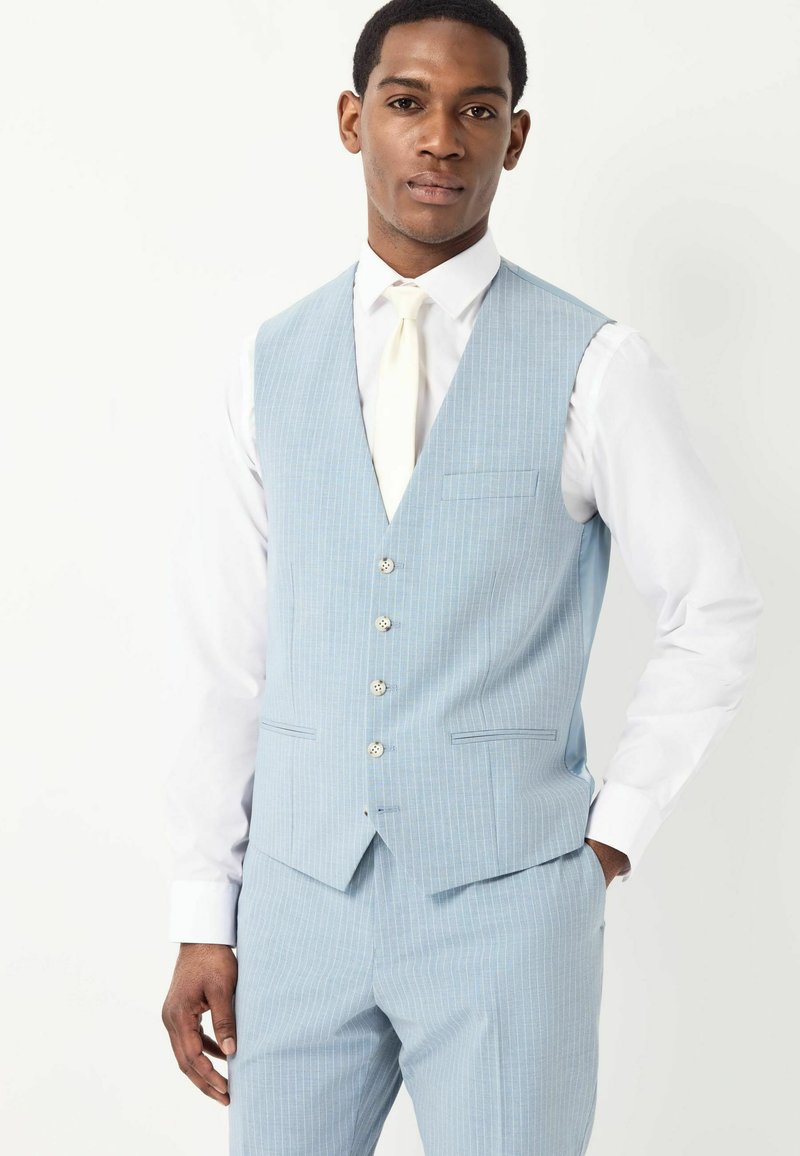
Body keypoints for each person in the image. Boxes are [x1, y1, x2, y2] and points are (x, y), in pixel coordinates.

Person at [160, 2, 764, 1152]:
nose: (441, 137)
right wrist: (204, 909)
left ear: (513, 137)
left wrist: (609, 835)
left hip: (507, 910)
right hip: (296, 903)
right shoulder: (266, 365)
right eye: (407, 103)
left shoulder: (593, 364)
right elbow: (223, 655)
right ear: (353, 120)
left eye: (476, 111)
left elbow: (713, 610)